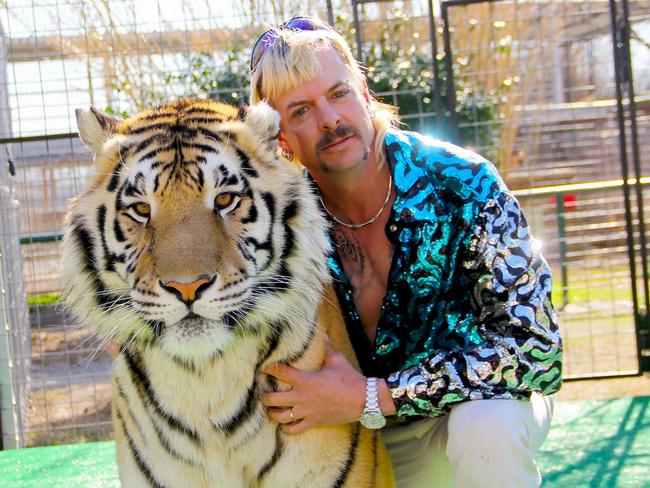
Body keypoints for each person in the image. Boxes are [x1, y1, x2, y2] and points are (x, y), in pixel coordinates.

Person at [249, 16, 562, 488]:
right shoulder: (277, 223)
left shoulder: (464, 183)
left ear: (365, 92)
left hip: (468, 410)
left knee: (487, 429)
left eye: (338, 94)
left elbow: (536, 348)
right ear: (281, 141)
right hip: (352, 433)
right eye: (300, 111)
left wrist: (376, 396)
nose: (330, 120)